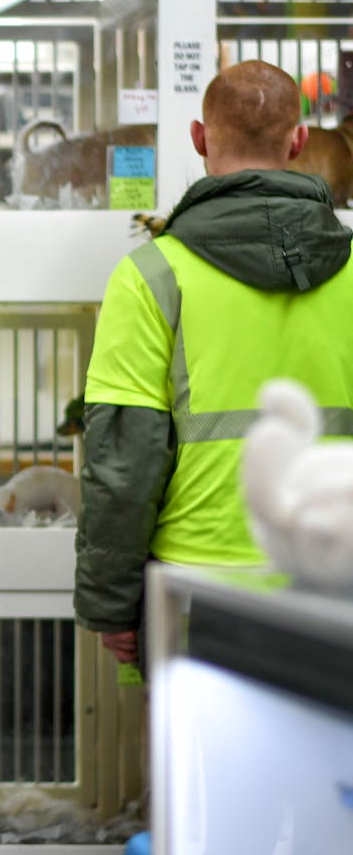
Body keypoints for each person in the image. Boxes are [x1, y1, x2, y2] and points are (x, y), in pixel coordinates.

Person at [74, 60, 353, 668]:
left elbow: (123, 458)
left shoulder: (150, 276)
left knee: (198, 764)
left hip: (196, 588)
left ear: (199, 138)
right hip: (336, 586)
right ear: (299, 141)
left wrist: (112, 607)